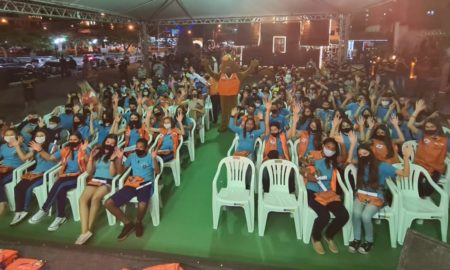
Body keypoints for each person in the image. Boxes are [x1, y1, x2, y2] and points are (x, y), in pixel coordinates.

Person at [346, 140, 412, 254]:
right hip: (361, 193)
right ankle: (356, 239)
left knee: (366, 216)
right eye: (360, 155)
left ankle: (369, 241)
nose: (362, 156)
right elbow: (348, 161)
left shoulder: (383, 166)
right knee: (356, 213)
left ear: (371, 153)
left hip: (377, 195)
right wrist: (352, 146)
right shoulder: (360, 164)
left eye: (365, 154)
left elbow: (405, 174)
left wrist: (406, 157)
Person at [28, 132, 90, 231]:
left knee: (60, 184)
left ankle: (44, 209)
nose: (72, 141)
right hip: (65, 176)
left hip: (79, 177)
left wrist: (84, 151)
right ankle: (60, 217)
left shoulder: (85, 149)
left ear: (80, 140)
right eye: (70, 139)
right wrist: (40, 150)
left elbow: (90, 165)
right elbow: (49, 158)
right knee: (60, 187)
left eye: (75, 140)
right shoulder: (66, 150)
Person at [104, 138, 160, 240]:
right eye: (137, 147)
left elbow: (158, 171)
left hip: (146, 184)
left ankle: (138, 222)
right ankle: (128, 224)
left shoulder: (149, 156)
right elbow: (120, 171)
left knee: (142, 203)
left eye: (141, 147)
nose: (138, 149)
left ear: (146, 148)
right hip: (132, 183)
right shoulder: (132, 156)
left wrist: (154, 158)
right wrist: (120, 158)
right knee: (108, 203)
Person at [302, 137, 349, 255]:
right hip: (312, 191)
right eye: (328, 147)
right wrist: (308, 174)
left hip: (328, 192)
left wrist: (342, 143)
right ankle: (316, 237)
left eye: (333, 148)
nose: (330, 150)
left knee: (344, 215)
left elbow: (343, 157)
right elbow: (301, 166)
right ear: (323, 145)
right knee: (324, 216)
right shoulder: (313, 155)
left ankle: (329, 235)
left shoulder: (332, 160)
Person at [75, 135, 122, 245]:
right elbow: (89, 172)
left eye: (112, 143)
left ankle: (89, 230)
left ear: (115, 145)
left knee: (95, 198)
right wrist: (91, 158)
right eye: (107, 141)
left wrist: (112, 160)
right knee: (82, 200)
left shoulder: (115, 154)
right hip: (95, 180)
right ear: (104, 141)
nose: (109, 144)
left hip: (107, 181)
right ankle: (84, 232)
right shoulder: (98, 152)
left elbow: (112, 174)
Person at [10, 129, 61, 225]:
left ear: (46, 136)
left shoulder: (52, 146)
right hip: (35, 173)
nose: (39, 137)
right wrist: (17, 146)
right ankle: (18, 211)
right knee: (18, 187)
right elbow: (24, 158)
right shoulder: (35, 147)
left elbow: (52, 159)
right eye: (37, 136)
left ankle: (24, 210)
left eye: (42, 135)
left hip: (46, 173)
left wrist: (40, 150)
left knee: (29, 188)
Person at [202, 54, 259, 132]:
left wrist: (252, 66)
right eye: (226, 66)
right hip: (223, 96)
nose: (228, 67)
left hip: (233, 95)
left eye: (230, 66)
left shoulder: (238, 75)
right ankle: (224, 125)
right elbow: (211, 73)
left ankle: (233, 125)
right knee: (224, 111)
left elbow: (247, 72)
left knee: (233, 111)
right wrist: (207, 66)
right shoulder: (220, 75)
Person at [407, 99, 450, 197]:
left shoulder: (445, 140)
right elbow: (410, 125)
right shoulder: (422, 135)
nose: (429, 128)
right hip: (419, 167)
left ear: (437, 128)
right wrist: (416, 111)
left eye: (432, 126)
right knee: (414, 189)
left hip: (435, 170)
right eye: (427, 127)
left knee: (425, 192)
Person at [0, 129, 28, 215]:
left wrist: (18, 146)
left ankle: (2, 202)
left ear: (16, 135)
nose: (9, 136)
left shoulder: (21, 145)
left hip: (15, 170)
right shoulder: (3, 147)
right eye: (7, 135)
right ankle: (2, 202)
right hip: (3, 169)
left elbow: (25, 158)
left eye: (11, 134)